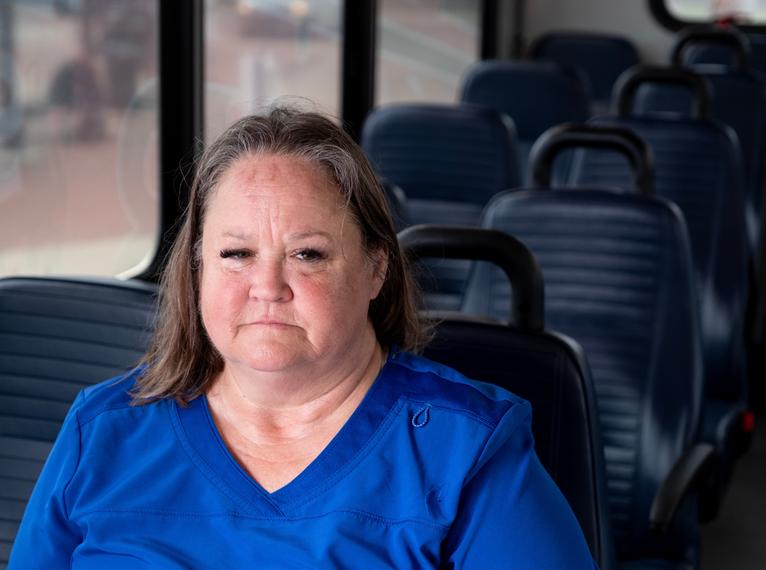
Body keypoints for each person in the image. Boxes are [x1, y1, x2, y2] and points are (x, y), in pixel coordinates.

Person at [9, 106, 595, 568]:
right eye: (236, 254)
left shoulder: (467, 451)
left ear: (375, 268)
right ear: (197, 269)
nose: (268, 286)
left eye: (307, 254)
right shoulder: (101, 430)